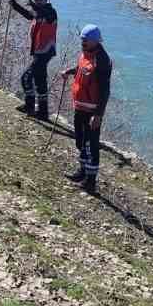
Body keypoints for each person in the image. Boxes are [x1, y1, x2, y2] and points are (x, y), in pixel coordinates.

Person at [59, 25, 111, 194]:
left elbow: (105, 90)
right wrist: (69, 71)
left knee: (91, 145)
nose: (82, 42)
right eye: (81, 39)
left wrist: (98, 115)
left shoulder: (102, 60)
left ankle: (90, 180)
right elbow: (82, 70)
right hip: (80, 106)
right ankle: (82, 171)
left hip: (92, 111)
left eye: (85, 39)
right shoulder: (84, 55)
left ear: (95, 41)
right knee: (80, 141)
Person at [8, 0, 58, 119]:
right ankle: (43, 112)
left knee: (25, 78)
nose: (38, 1)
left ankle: (29, 106)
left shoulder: (51, 13)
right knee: (40, 81)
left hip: (44, 53)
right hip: (39, 52)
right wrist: (15, 5)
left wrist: (34, 6)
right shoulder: (39, 13)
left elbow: (44, 14)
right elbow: (29, 14)